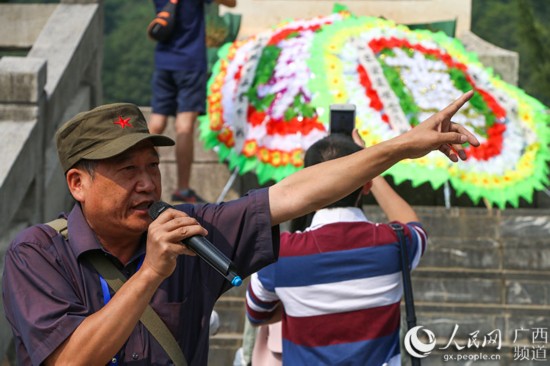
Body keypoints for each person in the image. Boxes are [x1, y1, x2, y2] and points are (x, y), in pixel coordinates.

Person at [2, 91, 479, 365]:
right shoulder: (37, 253)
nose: (148, 184)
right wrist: (151, 271)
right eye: (127, 170)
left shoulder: (188, 230)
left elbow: (294, 195)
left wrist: (400, 147)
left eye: (153, 166)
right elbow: (68, 361)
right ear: (77, 184)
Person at [245, 132, 429, 365]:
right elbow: (413, 224)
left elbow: (256, 314)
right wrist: (369, 164)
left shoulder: (279, 255)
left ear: (305, 186)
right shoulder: (396, 243)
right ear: (367, 184)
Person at [148, 0, 236, 203]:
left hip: (163, 61)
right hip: (190, 62)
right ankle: (183, 188)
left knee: (156, 123)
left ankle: (146, 183)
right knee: (184, 126)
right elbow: (231, 3)